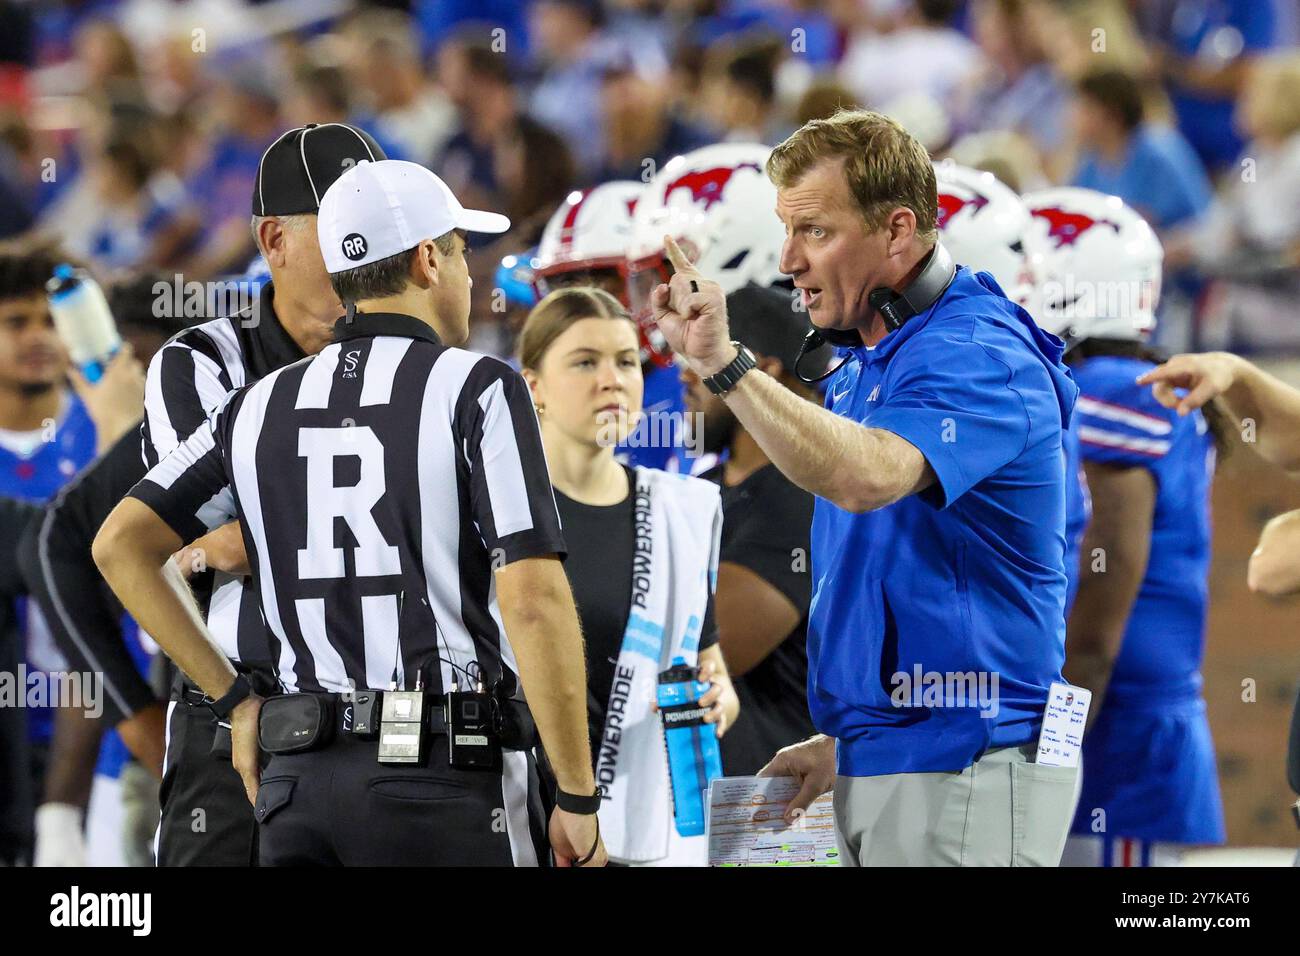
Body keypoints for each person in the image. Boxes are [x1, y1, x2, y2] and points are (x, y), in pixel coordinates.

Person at [95, 158, 605, 867]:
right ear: (429, 260)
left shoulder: (258, 404)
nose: (468, 278)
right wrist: (578, 796)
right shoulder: (477, 385)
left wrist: (235, 699)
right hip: (443, 776)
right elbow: (534, 601)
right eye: (459, 254)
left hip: (298, 782)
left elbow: (119, 545)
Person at [655, 109, 1079, 866]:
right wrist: (853, 741)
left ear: (897, 230)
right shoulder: (872, 354)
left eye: (815, 231)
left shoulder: (978, 350)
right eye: (786, 230)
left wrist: (728, 364)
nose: (789, 260)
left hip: (967, 766)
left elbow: (867, 477)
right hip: (895, 760)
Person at [144, 122, 389, 866]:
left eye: (377, 221)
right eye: (342, 221)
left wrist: (249, 535)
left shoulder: (414, 361)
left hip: (383, 718)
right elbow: (207, 529)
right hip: (236, 705)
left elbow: (245, 535)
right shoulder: (202, 360)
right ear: (274, 239)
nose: (366, 243)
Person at [1023, 187, 1228, 867]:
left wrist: (1045, 763)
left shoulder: (1111, 389)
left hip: (1115, 742)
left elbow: (1094, 625)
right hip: (1109, 725)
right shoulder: (1122, 380)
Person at [517, 285, 736, 865]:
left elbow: (709, 668)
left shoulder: (681, 510)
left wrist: (717, 696)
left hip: (645, 837)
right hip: (521, 824)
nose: (612, 379)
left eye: (626, 362)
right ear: (533, 385)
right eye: (585, 362)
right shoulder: (492, 515)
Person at [680, 284, 821, 776]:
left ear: (762, 371)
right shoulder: (702, 488)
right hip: (700, 794)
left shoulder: (802, 498)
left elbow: (702, 655)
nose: (684, 372)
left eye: (702, 354)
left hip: (775, 805)